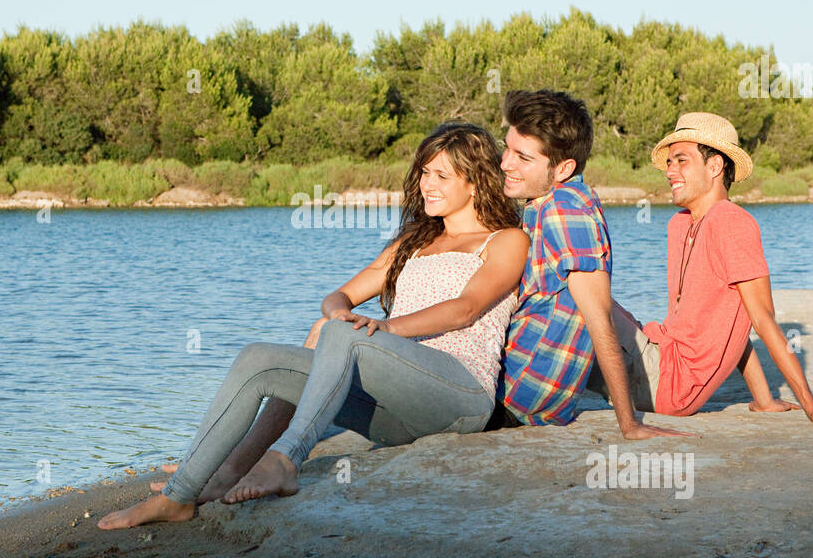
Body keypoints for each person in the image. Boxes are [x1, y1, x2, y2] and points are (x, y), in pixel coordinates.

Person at [98, 121, 529, 529]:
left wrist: (380, 329)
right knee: (260, 359)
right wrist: (338, 313)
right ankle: (184, 492)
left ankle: (286, 459)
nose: (427, 184)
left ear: (475, 181)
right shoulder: (414, 241)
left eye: (442, 175)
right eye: (423, 172)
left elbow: (465, 309)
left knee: (341, 334)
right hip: (399, 411)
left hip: (459, 395)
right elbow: (340, 296)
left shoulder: (505, 240)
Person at [586, 111, 813, 426]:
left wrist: (812, 407)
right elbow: (728, 322)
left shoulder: (732, 222)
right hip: (653, 361)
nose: (670, 170)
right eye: (669, 162)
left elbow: (762, 319)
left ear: (715, 166)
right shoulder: (680, 224)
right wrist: (764, 400)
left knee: (576, 289)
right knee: (566, 297)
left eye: (681, 160)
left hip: (669, 383)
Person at [490, 89, 691, 439]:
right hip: (510, 385)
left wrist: (628, 424)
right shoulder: (548, 202)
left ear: (563, 168)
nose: (505, 163)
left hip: (517, 397)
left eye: (522, 157)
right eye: (507, 148)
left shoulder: (564, 211)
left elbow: (599, 316)